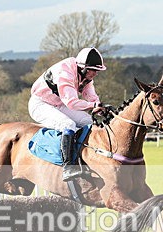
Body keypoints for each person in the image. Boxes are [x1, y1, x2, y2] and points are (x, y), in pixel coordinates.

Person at [29, 47, 108, 181]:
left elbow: (91, 97)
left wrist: (100, 107)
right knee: (68, 124)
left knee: (89, 122)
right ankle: (68, 167)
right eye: (93, 70)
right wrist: (92, 106)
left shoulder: (85, 76)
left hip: (59, 104)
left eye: (97, 70)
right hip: (40, 104)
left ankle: (85, 159)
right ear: (83, 68)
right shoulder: (65, 72)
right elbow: (72, 102)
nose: (95, 73)